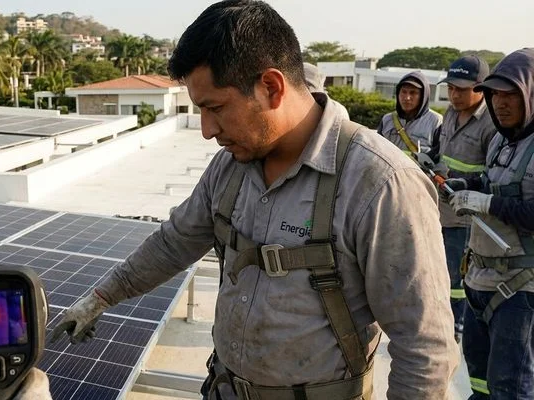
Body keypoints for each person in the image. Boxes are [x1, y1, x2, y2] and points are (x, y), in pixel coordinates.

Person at [51, 1, 460, 399]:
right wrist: (101, 298)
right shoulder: (229, 167)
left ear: (271, 87)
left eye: (215, 108)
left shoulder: (380, 183)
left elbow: (424, 346)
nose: (207, 130)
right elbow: (173, 243)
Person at [448, 47, 534, 399]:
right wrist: (466, 187)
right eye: (496, 94)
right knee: (480, 383)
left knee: (509, 387)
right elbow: (490, 181)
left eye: (511, 93)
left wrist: (490, 203)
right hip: (480, 279)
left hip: (520, 289)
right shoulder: (500, 140)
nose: (501, 103)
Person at [414, 55, 495, 343]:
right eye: (450, 88)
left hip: (466, 219)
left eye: (461, 89)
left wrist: (463, 186)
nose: (454, 95)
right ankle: (438, 320)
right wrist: (429, 160)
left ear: (482, 87)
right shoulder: (450, 113)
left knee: (456, 278)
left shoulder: (491, 123)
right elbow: (440, 150)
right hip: (438, 210)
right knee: (434, 270)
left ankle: (455, 324)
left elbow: (492, 175)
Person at [377, 72, 443, 155]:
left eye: (413, 93)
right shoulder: (387, 119)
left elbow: (439, 156)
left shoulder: (436, 121)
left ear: (423, 96)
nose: (407, 98)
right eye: (404, 92)